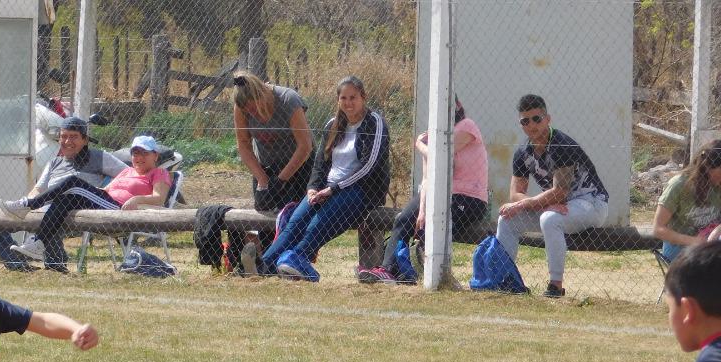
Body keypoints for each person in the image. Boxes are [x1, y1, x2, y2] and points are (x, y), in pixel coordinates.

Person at [259, 76, 390, 281]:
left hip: (361, 191)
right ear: (338, 100)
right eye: (343, 98)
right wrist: (312, 188)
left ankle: (297, 258)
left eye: (353, 97)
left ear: (363, 97)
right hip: (328, 188)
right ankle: (262, 266)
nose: (348, 103)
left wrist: (334, 189)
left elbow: (369, 166)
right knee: (296, 221)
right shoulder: (332, 125)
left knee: (317, 222)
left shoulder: (375, 123)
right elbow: (319, 164)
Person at [359, 96, 488, 284]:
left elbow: (441, 156)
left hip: (468, 199)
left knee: (431, 231)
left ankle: (422, 276)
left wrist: (420, 145)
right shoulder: (431, 138)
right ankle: (387, 270)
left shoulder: (467, 126)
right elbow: (427, 179)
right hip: (437, 195)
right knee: (403, 219)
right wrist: (421, 210)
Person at [493, 94, 609, 298]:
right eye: (525, 121)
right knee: (507, 219)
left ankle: (555, 285)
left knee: (549, 219)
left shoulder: (561, 145)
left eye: (537, 119)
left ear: (548, 119)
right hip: (557, 206)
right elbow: (515, 194)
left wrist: (540, 203)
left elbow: (560, 191)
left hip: (590, 203)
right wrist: (538, 204)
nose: (532, 125)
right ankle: (507, 280)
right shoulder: (522, 152)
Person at [2, 135, 171, 263]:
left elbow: (159, 199)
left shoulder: (159, 173)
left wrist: (136, 200)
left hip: (119, 210)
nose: (138, 157)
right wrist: (89, 191)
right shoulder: (127, 171)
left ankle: (28, 204)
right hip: (105, 202)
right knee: (66, 197)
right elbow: (105, 190)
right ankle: (39, 243)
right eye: (135, 153)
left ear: (155, 156)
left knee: (73, 182)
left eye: (144, 153)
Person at [0, 115, 127, 272]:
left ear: (85, 140)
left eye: (74, 137)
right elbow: (38, 189)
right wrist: (29, 200)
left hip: (76, 209)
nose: (68, 142)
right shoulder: (54, 162)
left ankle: (55, 264)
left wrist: (109, 188)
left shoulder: (99, 157)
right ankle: (17, 263)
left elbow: (129, 174)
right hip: (46, 207)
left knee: (68, 188)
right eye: (64, 136)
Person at [231, 71, 314, 270]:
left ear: (261, 96)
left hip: (299, 166)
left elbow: (305, 146)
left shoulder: (288, 100)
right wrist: (263, 179)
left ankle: (292, 264)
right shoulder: (241, 107)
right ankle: (268, 266)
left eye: (254, 109)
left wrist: (281, 179)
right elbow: (243, 145)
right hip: (266, 168)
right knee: (266, 215)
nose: (252, 114)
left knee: (293, 218)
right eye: (248, 111)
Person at [653, 140, 721, 263]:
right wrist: (694, 241)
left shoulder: (718, 185)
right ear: (708, 166)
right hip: (680, 249)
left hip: (711, 246)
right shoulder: (679, 185)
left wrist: (717, 230)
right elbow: (658, 229)